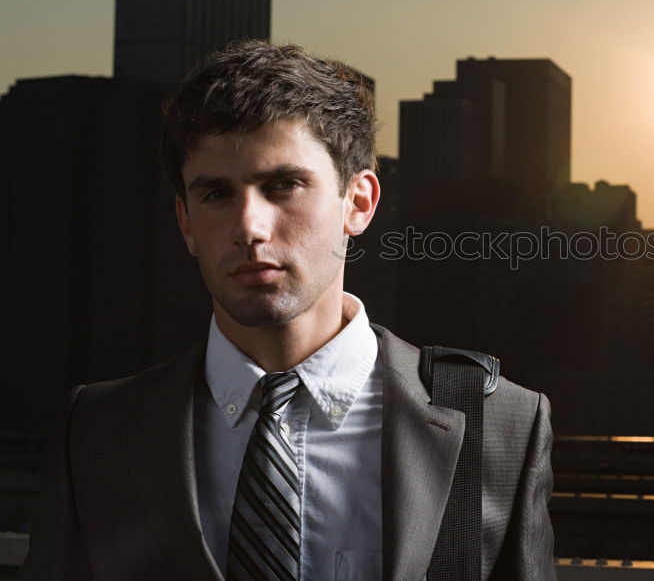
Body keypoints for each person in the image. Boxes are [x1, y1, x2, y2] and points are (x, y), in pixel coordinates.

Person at [20, 40, 556, 580]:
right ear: (185, 222)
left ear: (360, 202)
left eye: (283, 186)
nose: (249, 227)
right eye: (215, 195)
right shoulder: (98, 433)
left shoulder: (501, 424)